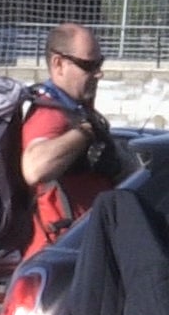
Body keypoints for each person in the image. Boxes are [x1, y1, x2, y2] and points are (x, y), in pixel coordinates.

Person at [21, 22, 131, 223]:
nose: (99, 73)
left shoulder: (76, 110)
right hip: (62, 245)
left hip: (83, 240)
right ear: (59, 64)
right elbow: (34, 168)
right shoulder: (50, 112)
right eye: (89, 66)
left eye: (100, 63)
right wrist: (86, 132)